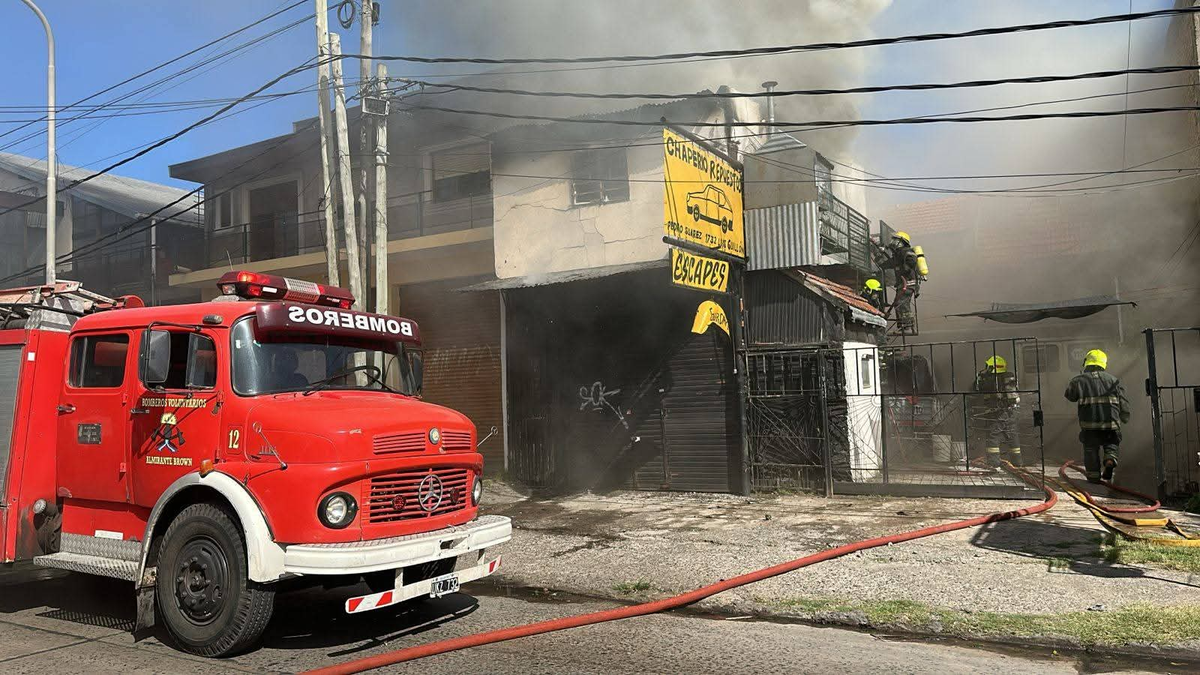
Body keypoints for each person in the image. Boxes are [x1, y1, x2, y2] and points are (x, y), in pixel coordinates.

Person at [1064, 349, 1130, 482]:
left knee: (1090, 449)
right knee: (1112, 443)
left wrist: (1078, 384)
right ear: (1103, 363)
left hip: (1089, 425)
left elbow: (1070, 396)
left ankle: (1093, 478)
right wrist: (1125, 416)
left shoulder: (1078, 380)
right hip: (1111, 424)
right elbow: (1123, 402)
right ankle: (1110, 459)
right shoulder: (1113, 380)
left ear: (1086, 362)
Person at [972, 355, 1022, 467]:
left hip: (997, 413)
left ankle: (994, 464)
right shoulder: (1009, 377)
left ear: (991, 367)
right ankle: (1018, 463)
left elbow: (977, 387)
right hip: (1011, 411)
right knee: (1013, 437)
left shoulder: (991, 380)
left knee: (993, 436)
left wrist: (980, 377)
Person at [871, 231, 922, 332]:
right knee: (899, 302)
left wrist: (906, 268)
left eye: (895, 240)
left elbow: (911, 260)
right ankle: (903, 325)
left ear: (902, 242)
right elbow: (889, 263)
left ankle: (907, 325)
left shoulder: (906, 250)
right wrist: (879, 263)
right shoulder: (898, 254)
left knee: (901, 302)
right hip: (903, 284)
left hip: (908, 283)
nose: (893, 242)